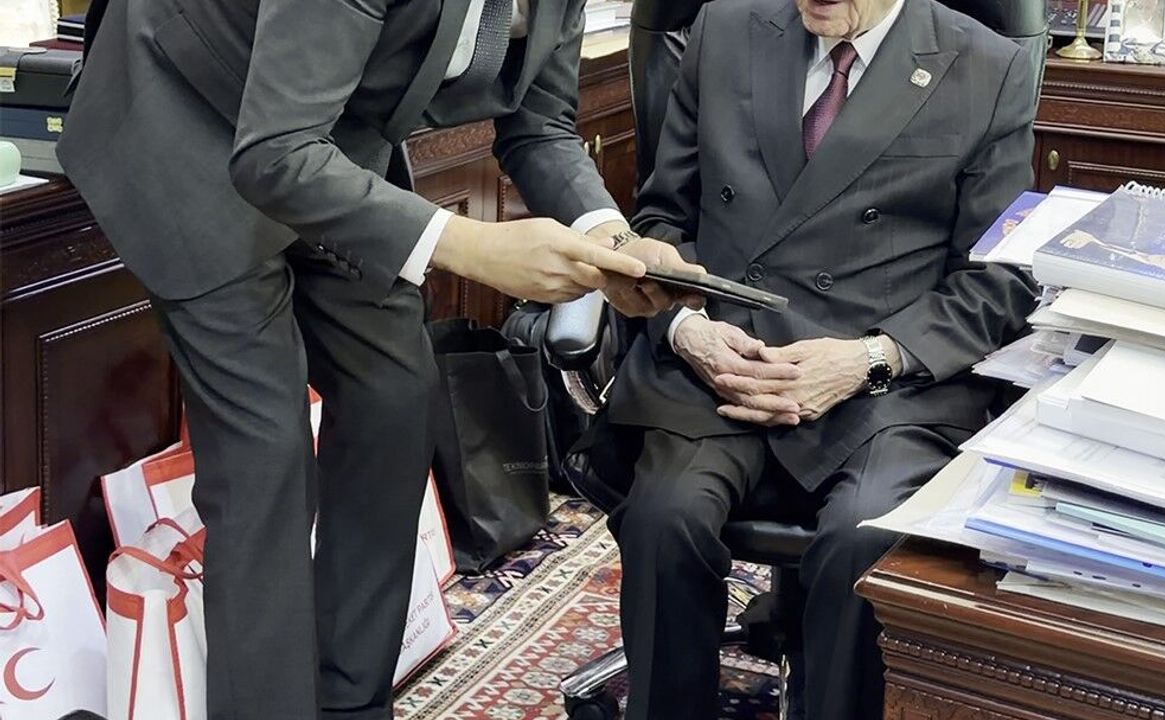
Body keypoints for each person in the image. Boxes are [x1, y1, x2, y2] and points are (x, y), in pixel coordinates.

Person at [55, 0, 702, 718]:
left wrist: (612, 239)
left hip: (323, 133)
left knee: (395, 391)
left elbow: (538, 122)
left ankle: (351, 703)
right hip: (185, 114)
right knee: (263, 456)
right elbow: (275, 153)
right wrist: (472, 246)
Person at [601, 0, 1040, 718]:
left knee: (864, 538)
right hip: (729, 360)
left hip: (885, 383)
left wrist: (871, 358)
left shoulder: (988, 66)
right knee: (663, 519)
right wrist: (686, 327)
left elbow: (997, 281)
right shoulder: (722, 30)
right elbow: (663, 219)